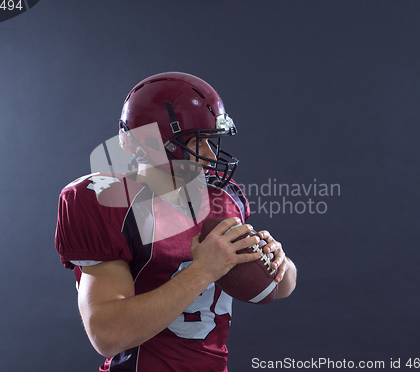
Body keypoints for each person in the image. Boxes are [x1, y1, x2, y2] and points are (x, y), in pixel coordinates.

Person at [55, 72, 297, 372]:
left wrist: (276, 261)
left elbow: (281, 288)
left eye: (212, 141)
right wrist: (203, 271)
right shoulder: (106, 202)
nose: (210, 157)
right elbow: (108, 334)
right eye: (197, 142)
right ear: (153, 144)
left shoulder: (223, 197)